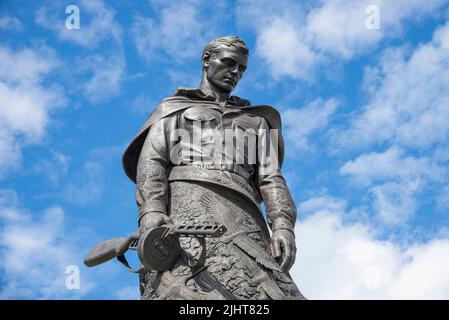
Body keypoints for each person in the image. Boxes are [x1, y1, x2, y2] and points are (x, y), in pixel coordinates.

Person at [122, 36, 305, 300]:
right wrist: (151, 211)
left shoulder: (256, 120)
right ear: (207, 60)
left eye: (241, 69)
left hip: (245, 220)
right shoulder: (173, 110)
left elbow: (271, 179)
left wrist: (283, 226)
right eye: (230, 63)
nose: (235, 73)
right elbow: (153, 161)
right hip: (186, 211)